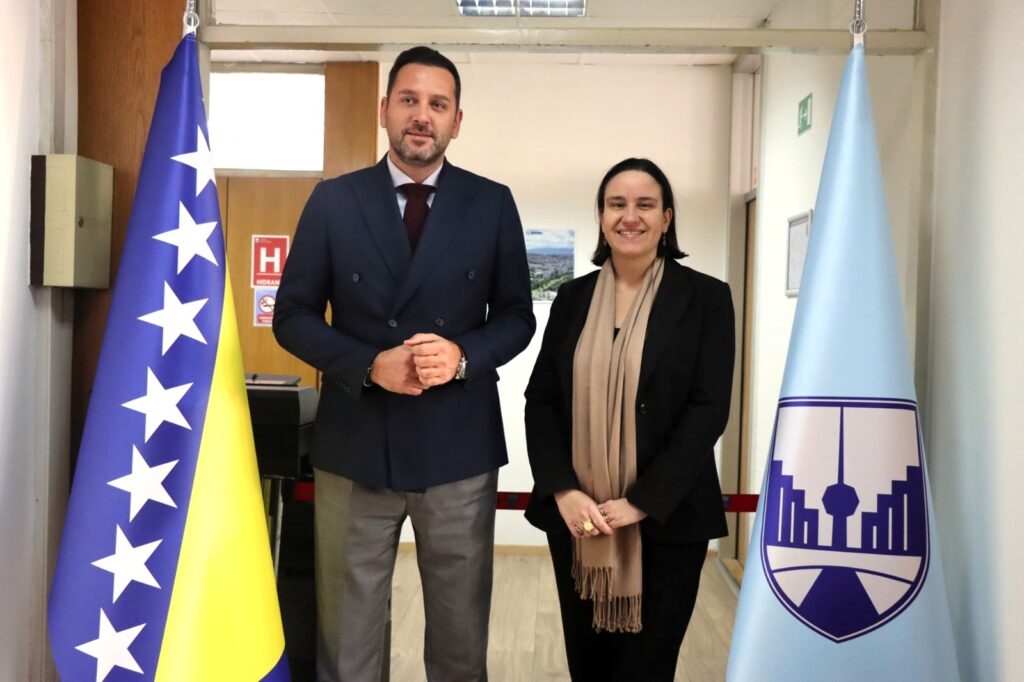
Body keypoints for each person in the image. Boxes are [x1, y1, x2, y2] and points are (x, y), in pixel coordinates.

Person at [273, 46, 535, 682]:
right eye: (410, 100)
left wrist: (464, 354)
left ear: (457, 121)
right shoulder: (334, 201)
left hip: (458, 448)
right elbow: (293, 315)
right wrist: (369, 365)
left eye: (438, 104)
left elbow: (517, 317)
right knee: (348, 647)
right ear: (384, 109)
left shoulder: (491, 203)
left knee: (459, 646)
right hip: (355, 445)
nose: (423, 115)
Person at [523, 158, 735, 681]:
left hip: (668, 519)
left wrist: (641, 501)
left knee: (647, 668)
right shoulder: (572, 298)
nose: (630, 216)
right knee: (588, 667)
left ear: (667, 218)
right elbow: (541, 400)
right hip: (580, 519)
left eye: (645, 204)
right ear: (601, 217)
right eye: (616, 204)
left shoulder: (706, 298)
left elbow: (708, 410)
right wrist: (563, 490)